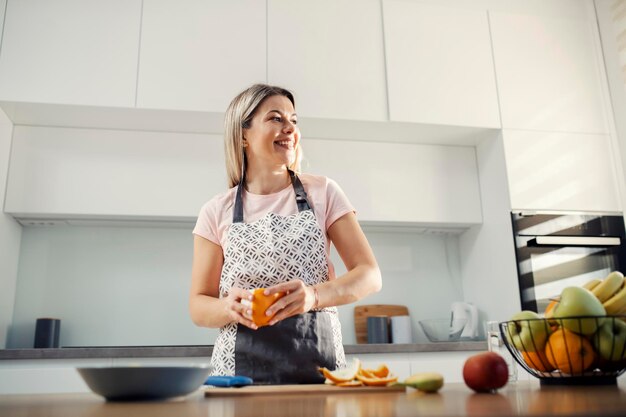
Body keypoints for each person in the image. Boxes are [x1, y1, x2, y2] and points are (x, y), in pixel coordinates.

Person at [190, 84, 381, 384]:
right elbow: (198, 305)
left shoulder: (324, 192)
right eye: (276, 118)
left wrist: (313, 296)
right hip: (238, 376)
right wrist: (228, 307)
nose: (289, 128)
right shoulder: (216, 211)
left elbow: (370, 274)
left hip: (320, 372)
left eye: (293, 120)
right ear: (243, 135)